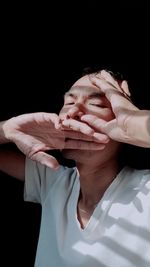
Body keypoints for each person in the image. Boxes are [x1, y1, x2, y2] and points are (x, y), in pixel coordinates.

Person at [0, 69, 150, 267]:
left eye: (95, 104)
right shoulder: (53, 180)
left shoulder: (145, 191)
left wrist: (136, 124)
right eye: (69, 102)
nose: (73, 112)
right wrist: (6, 130)